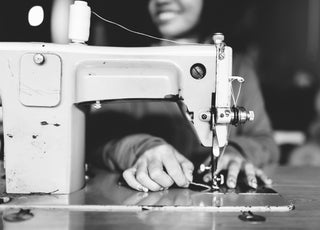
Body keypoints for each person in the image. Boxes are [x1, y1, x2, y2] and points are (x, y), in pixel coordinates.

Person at [51, 0, 279, 192]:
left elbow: (265, 141)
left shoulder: (238, 68)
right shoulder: (129, 66)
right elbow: (98, 138)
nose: (161, 1)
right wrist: (141, 147)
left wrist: (235, 151)